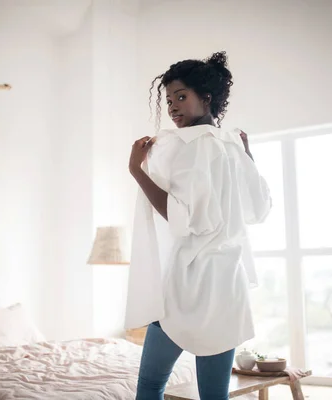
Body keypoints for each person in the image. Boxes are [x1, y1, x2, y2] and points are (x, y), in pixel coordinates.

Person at [126, 51, 272, 400]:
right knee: (214, 395)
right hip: (228, 284)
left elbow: (183, 220)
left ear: (206, 98)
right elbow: (260, 209)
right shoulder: (232, 144)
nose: (173, 107)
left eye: (181, 96)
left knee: (149, 386)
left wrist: (136, 171)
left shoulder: (191, 145)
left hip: (190, 283)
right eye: (169, 99)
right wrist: (248, 156)